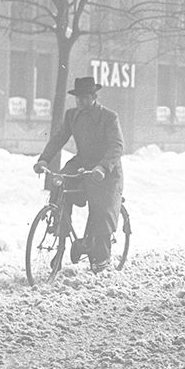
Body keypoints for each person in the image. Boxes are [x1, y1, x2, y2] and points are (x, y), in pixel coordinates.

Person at [33, 75, 125, 273]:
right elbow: (59, 138)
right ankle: (60, 240)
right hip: (82, 163)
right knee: (60, 184)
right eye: (78, 98)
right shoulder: (72, 115)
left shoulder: (109, 117)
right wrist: (44, 160)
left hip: (106, 170)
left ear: (94, 97)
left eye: (85, 98)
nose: (81, 102)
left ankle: (101, 258)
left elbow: (117, 146)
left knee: (102, 209)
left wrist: (102, 168)